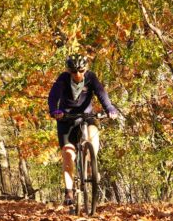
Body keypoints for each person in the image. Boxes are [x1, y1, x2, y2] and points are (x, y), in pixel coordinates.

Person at [48, 53, 120, 206]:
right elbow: (53, 96)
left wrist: (109, 108)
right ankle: (69, 192)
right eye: (74, 71)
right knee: (68, 155)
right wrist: (54, 110)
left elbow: (101, 93)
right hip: (66, 120)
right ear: (69, 71)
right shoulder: (63, 79)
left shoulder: (91, 78)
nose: (78, 74)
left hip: (86, 117)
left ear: (85, 69)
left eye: (81, 70)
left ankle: (89, 162)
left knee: (93, 133)